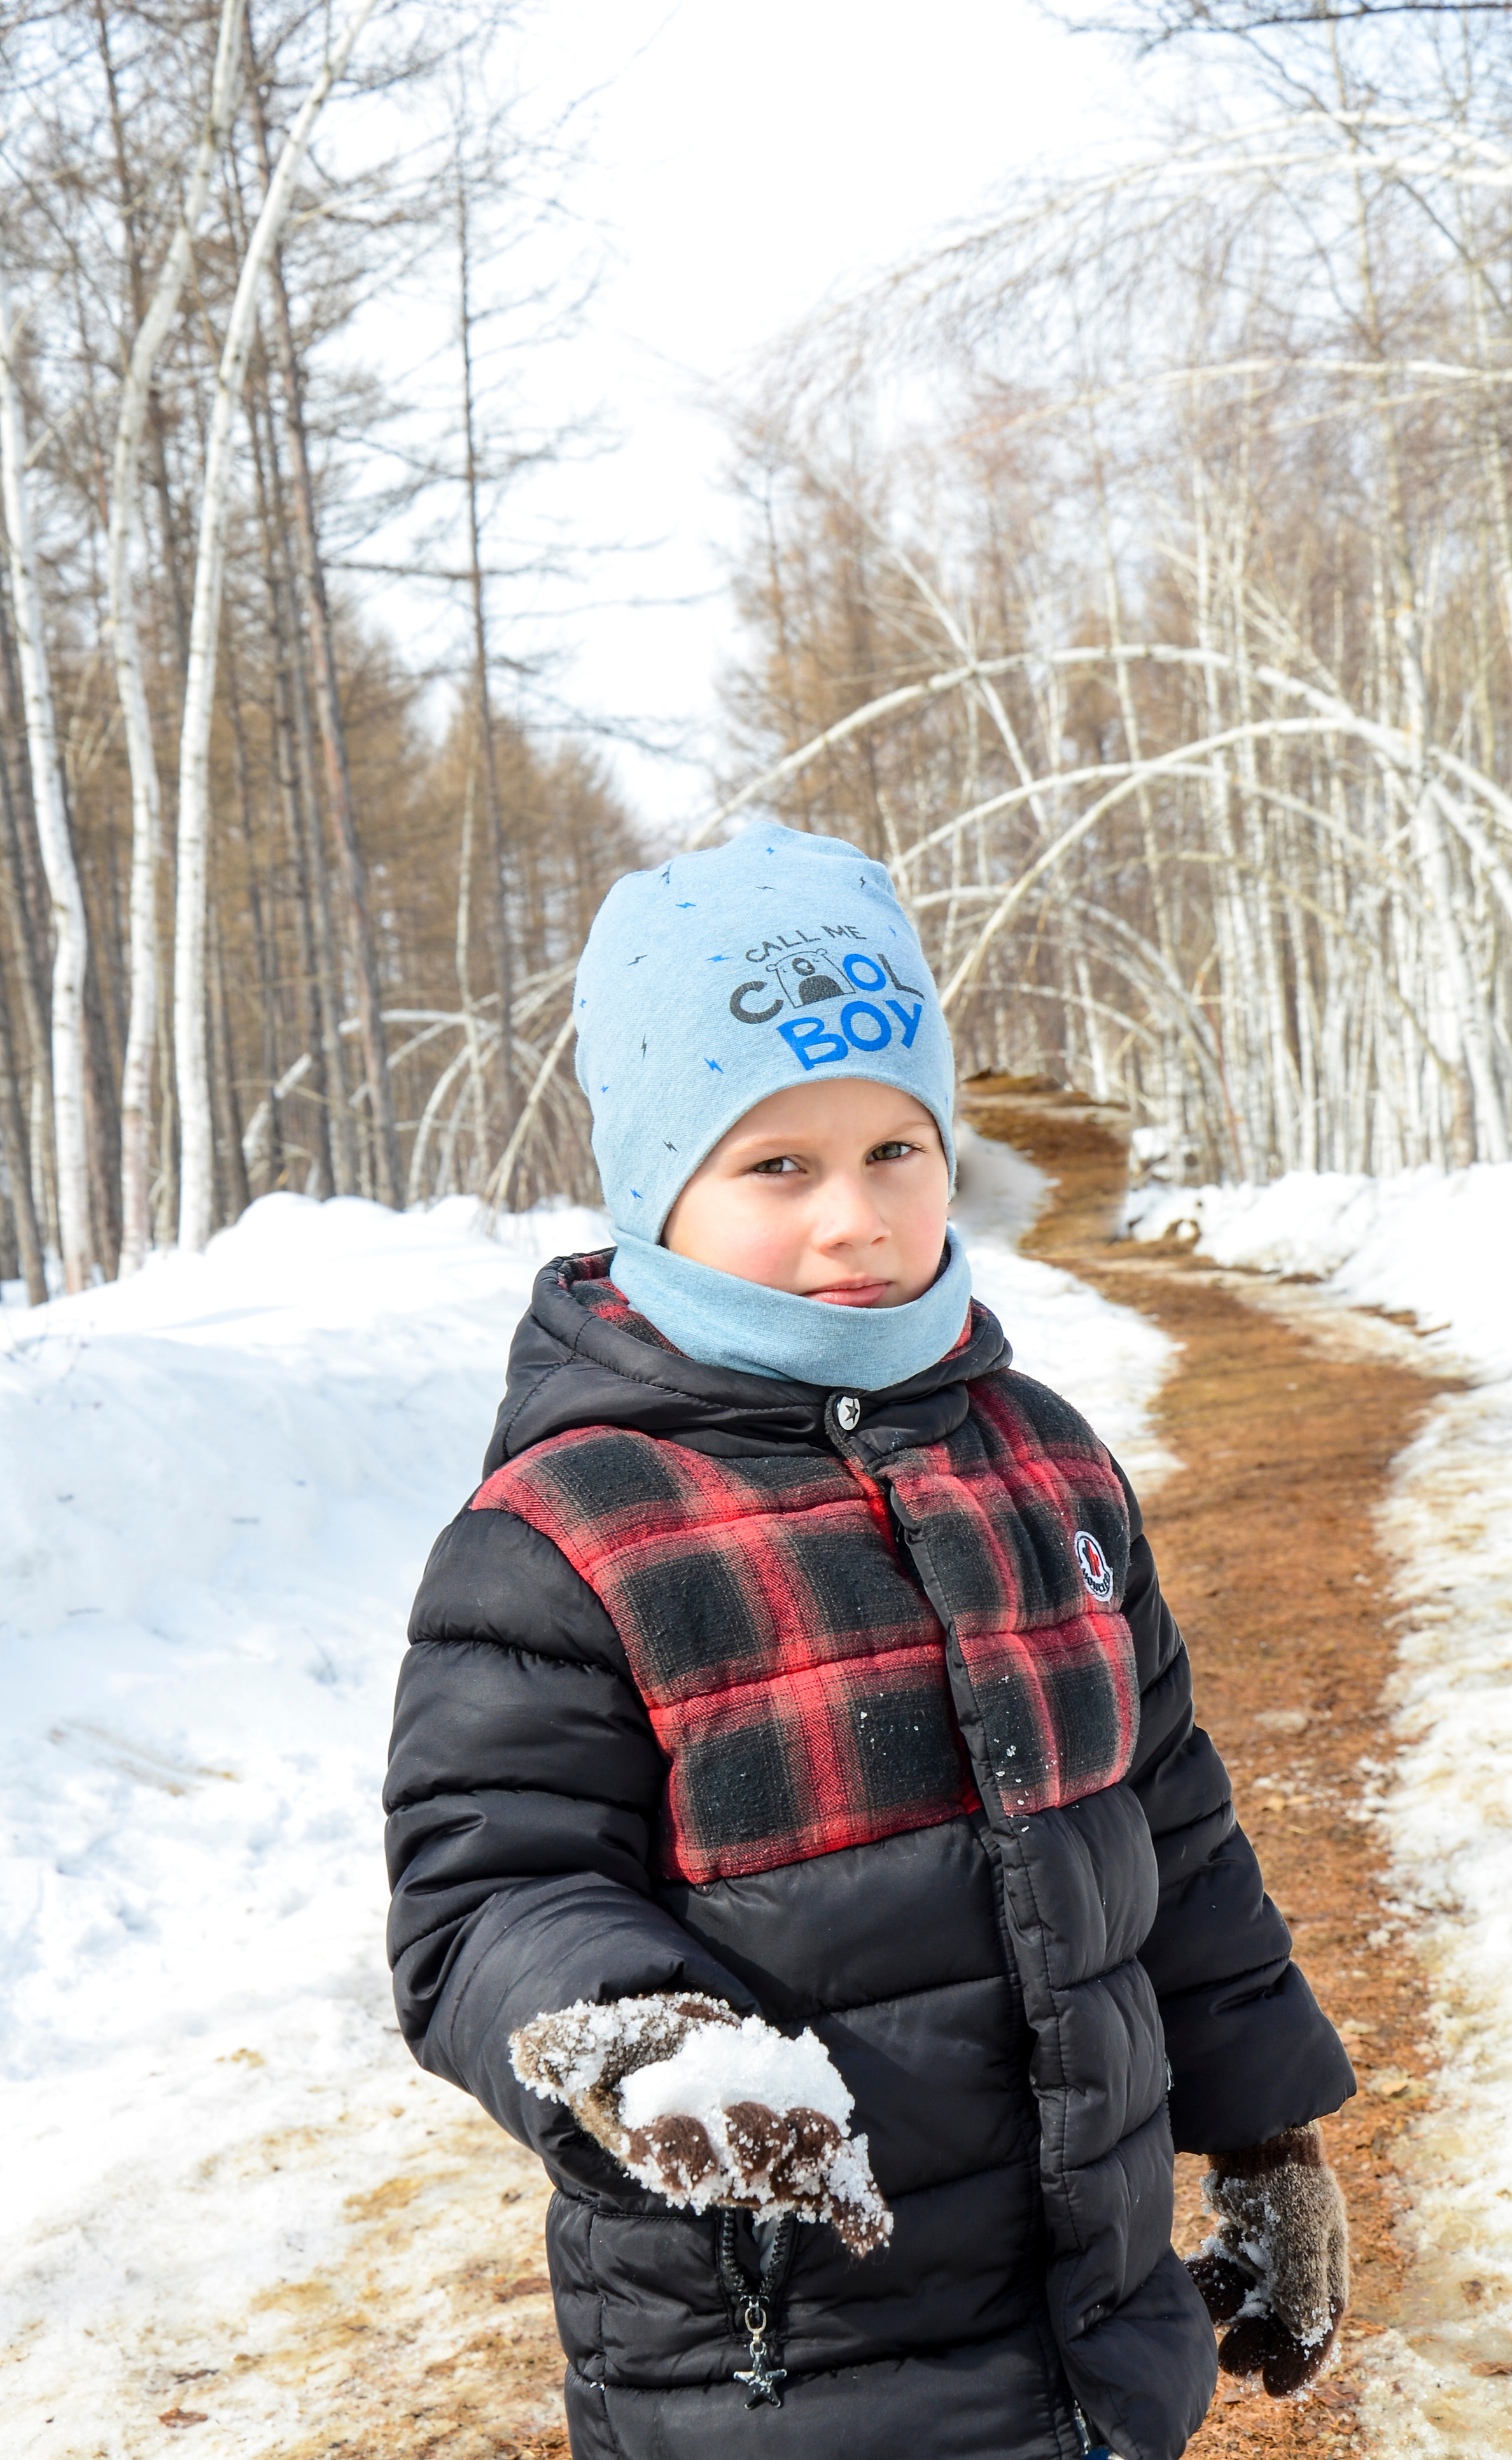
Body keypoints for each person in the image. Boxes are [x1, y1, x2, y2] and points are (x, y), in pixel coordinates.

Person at [384, 823, 1354, 2460]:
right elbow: (484, 1897)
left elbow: (1168, 1819)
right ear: (658, 1191)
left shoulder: (1039, 1462)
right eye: (777, 1166)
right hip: (783, 2368)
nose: (855, 1218)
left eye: (896, 1147)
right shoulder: (571, 1530)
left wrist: (1266, 2131)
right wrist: (644, 2049)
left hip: (1096, 2348)